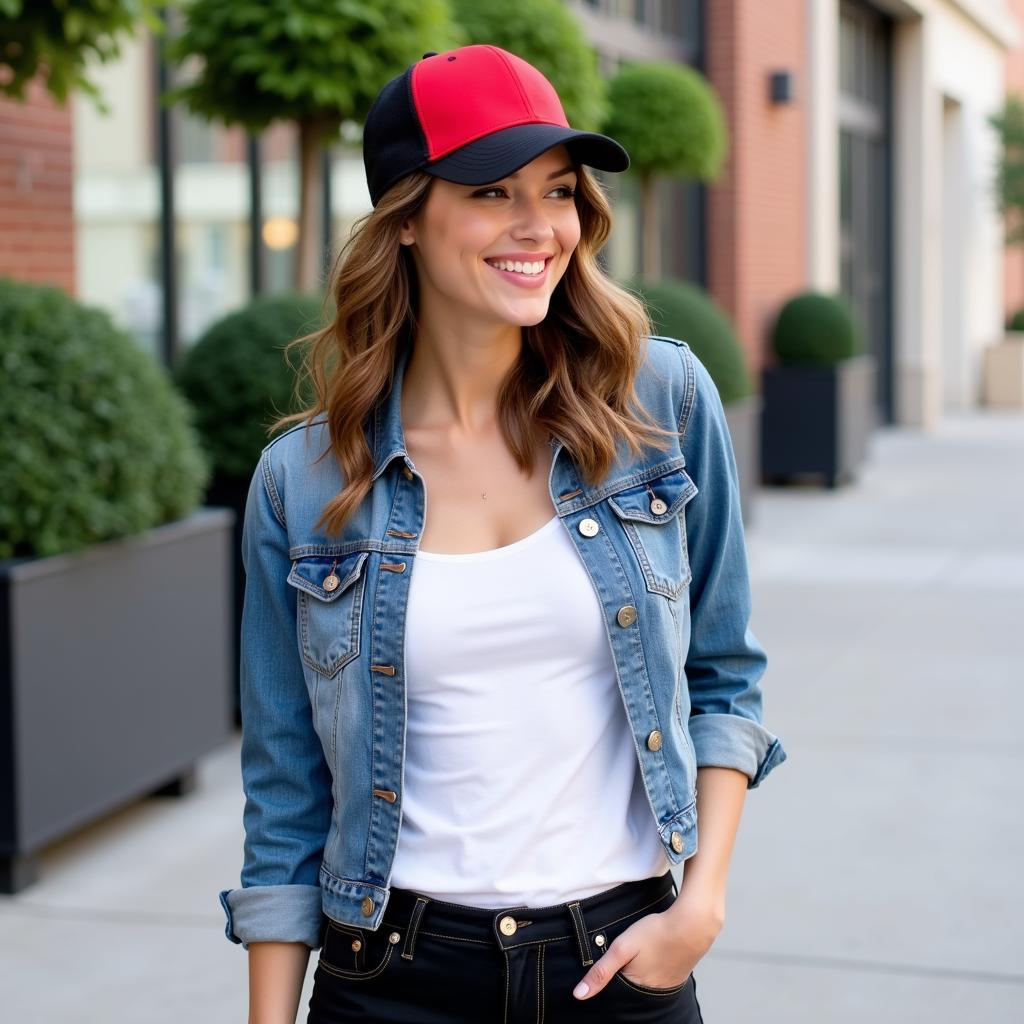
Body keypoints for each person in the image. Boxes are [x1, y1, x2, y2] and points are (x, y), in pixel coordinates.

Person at [218, 44, 787, 1024]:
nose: (539, 228)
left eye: (558, 191)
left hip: (617, 966)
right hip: (391, 976)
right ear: (405, 219)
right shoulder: (305, 482)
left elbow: (725, 674)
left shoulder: (658, 402)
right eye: (492, 193)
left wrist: (700, 904)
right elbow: (284, 790)